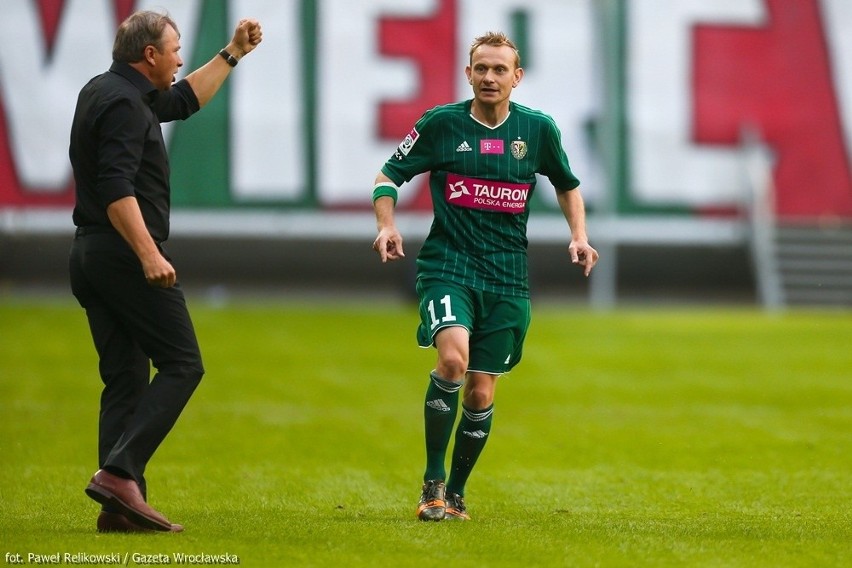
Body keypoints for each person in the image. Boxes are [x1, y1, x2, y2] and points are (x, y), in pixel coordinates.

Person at [371, 31, 599, 521]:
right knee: (452, 361)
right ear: (468, 73)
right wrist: (386, 224)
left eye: (500, 70)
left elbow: (567, 185)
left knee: (480, 391)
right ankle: (431, 483)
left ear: (517, 77)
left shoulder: (537, 131)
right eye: (482, 68)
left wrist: (578, 235)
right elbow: (388, 175)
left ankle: (455, 492)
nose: (490, 77)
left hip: (507, 276)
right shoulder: (441, 124)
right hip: (448, 265)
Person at [68, 10, 262, 533]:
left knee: (126, 379)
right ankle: (119, 474)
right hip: (123, 255)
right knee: (183, 364)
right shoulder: (127, 106)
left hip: (89, 255)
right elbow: (116, 187)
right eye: (174, 48)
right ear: (149, 54)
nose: (180, 57)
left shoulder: (110, 90)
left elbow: (183, 101)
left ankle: (118, 508)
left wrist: (232, 53)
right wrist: (149, 254)